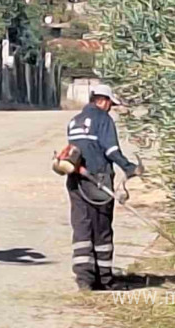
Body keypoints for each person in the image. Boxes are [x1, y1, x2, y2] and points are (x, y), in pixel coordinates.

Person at [66, 84, 143, 291]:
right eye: (110, 104)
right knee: (101, 229)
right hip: (98, 179)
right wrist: (130, 168)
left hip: (75, 180)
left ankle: (84, 279)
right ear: (103, 101)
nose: (110, 108)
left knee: (82, 226)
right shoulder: (103, 119)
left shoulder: (75, 121)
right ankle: (105, 280)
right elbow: (111, 149)